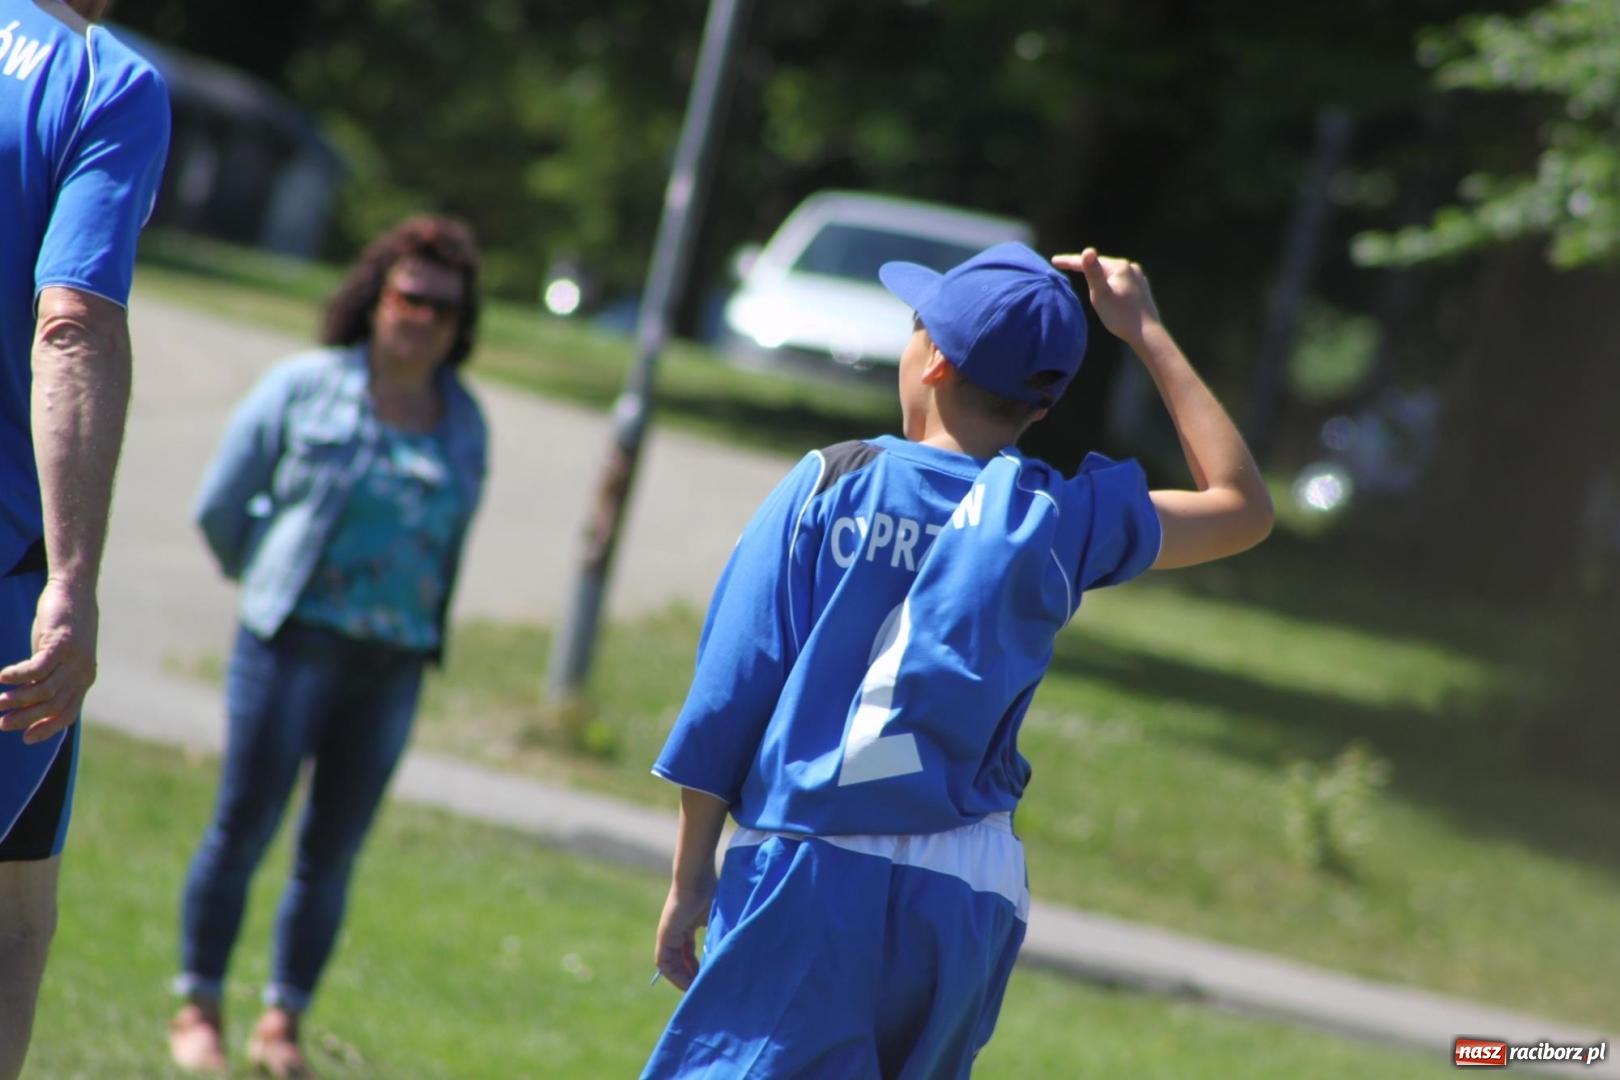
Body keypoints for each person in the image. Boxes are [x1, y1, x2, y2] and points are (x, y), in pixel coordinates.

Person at [643, 242, 1274, 1078]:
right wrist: (1145, 331)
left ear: (934, 358)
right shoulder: (1055, 520)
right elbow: (1242, 507)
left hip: (811, 860)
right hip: (968, 888)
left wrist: (690, 876)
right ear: (1041, 405)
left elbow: (730, 693)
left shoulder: (830, 482)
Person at [167, 216, 489, 1077]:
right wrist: (265, 580)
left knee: (332, 854)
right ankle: (199, 1007)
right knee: (243, 828)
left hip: (393, 664)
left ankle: (283, 1024)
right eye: (411, 296)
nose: (424, 318)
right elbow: (221, 508)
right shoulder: (302, 386)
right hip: (292, 646)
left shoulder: (466, 421)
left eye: (445, 308)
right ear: (375, 296)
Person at [0, 1, 170, 1075]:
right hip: (10, 568)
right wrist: (71, 580)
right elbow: (72, 323)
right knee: (12, 931)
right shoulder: (106, 83)